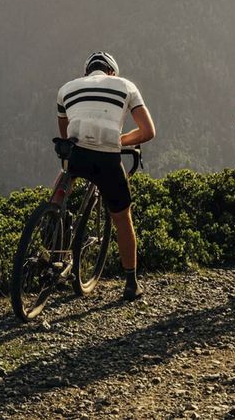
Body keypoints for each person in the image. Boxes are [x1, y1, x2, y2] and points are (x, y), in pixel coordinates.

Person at [55, 51, 155, 300]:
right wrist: (119, 140)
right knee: (122, 218)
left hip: (78, 155)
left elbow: (67, 136)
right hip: (108, 158)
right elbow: (148, 131)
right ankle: (131, 283)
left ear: (87, 72)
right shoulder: (126, 86)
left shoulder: (66, 88)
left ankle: (51, 222)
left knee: (64, 176)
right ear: (112, 72)